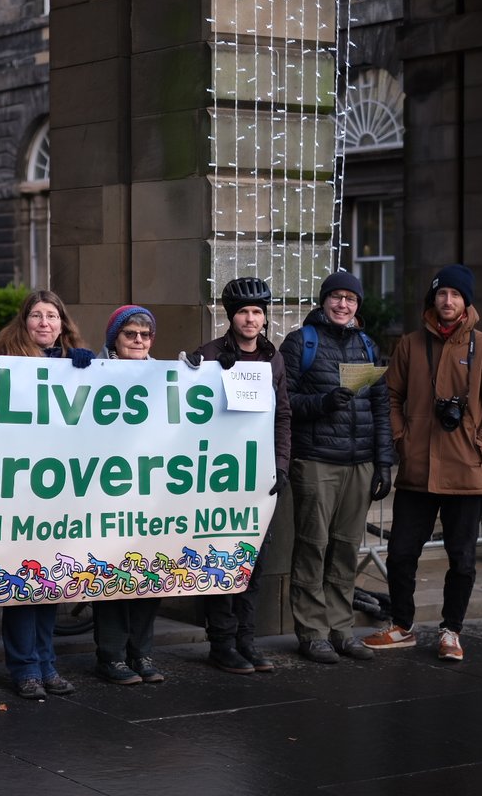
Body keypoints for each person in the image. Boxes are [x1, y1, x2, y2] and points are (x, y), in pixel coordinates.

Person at [364, 265, 482, 661]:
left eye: (455, 295)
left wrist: (479, 446)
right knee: (400, 554)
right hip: (416, 470)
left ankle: (452, 631)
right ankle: (402, 625)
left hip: (465, 473)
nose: (447, 301)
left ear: (467, 301)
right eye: (441, 294)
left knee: (462, 560)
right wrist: (401, 440)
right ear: (432, 299)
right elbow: (391, 396)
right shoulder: (410, 345)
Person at [280, 271, 392, 664]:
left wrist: (384, 461)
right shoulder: (301, 343)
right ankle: (312, 632)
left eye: (351, 299)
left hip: (359, 463)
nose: (343, 305)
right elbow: (285, 402)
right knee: (313, 546)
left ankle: (341, 630)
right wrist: (324, 402)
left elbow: (380, 408)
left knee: (345, 549)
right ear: (324, 300)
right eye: (336, 297)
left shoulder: (366, 345)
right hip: (316, 461)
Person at [181, 278, 291, 675]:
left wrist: (280, 464)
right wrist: (204, 372)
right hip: (218, 478)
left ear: (265, 318)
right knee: (219, 561)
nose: (250, 319)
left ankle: (247, 639)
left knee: (253, 564)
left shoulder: (272, 358)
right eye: (243, 312)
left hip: (257, 476)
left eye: (257, 312)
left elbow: (282, 416)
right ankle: (222, 642)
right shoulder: (210, 353)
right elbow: (184, 407)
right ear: (231, 316)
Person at [0, 290, 94, 699]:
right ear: (24, 322)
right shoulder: (5, 362)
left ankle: (47, 663)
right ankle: (24, 668)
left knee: (50, 581)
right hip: (18, 487)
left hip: (59, 489)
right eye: (36, 315)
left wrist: (84, 372)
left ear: (62, 323)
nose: (44, 323)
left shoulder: (74, 362)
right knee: (21, 581)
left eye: (52, 315)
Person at [90, 305, 167, 686]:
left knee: (148, 572)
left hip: (150, 492)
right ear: (114, 340)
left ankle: (142, 652)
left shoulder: (164, 375)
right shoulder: (94, 375)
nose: (139, 341)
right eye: (130, 335)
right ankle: (112, 655)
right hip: (107, 492)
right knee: (112, 576)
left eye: (145, 335)